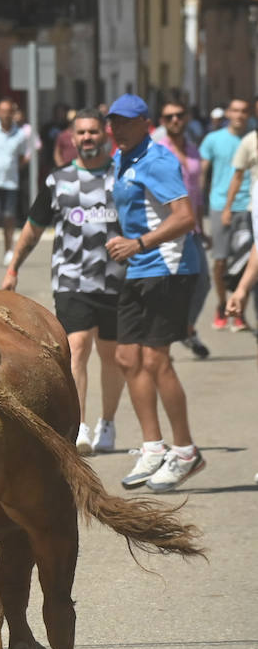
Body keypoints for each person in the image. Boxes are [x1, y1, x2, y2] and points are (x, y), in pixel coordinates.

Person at [2, 108, 126, 456]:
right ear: (72, 138)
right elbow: (33, 226)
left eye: (94, 132)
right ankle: (82, 425)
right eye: (82, 133)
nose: (88, 138)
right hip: (73, 279)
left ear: (105, 136)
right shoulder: (58, 181)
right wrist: (13, 267)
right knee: (78, 347)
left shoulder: (123, 178)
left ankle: (109, 423)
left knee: (112, 356)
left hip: (117, 280)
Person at [103, 94, 206, 492]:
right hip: (138, 267)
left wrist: (139, 243)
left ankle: (185, 452)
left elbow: (185, 218)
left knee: (156, 360)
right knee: (127, 357)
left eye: (127, 122)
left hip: (169, 266)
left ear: (146, 123)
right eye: (114, 122)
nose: (118, 129)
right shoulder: (121, 157)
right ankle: (153, 446)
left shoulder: (158, 160)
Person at [154, 98, 211, 360]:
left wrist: (201, 226)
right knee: (166, 285)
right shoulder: (158, 150)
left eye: (179, 115)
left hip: (193, 228)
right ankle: (163, 341)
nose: (175, 120)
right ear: (163, 122)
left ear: (186, 117)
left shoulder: (193, 149)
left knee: (202, 282)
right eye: (169, 117)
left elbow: (196, 193)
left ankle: (185, 329)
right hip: (167, 226)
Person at [208, 98, 254, 330]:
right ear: (227, 113)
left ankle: (239, 312)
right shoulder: (213, 139)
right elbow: (201, 175)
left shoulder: (253, 137)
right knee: (220, 261)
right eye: (235, 110)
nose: (239, 115)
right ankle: (222, 304)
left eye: (244, 111)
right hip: (220, 205)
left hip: (248, 207)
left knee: (246, 262)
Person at [0, 97, 33, 264]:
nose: (6, 115)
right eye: (2, 111)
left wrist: (12, 169)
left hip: (11, 181)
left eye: (9, 111)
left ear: (14, 113)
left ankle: (8, 250)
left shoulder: (19, 134)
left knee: (9, 217)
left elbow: (22, 157)